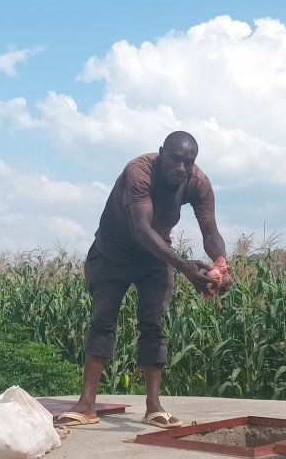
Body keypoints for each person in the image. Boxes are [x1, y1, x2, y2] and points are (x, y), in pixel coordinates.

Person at [58, 131, 231, 430]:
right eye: (175, 159)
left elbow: (210, 230)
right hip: (112, 253)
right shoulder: (139, 171)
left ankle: (154, 407)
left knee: (153, 324)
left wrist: (221, 264)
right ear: (162, 152)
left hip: (156, 257)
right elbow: (142, 229)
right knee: (103, 322)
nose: (181, 168)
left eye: (188, 162)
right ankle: (86, 405)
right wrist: (184, 267)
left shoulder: (198, 182)